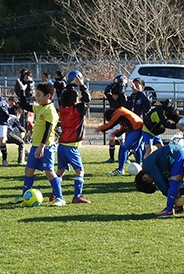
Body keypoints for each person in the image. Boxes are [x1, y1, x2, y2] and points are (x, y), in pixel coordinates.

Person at [11, 82, 66, 206]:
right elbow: (24, 105)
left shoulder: (50, 110)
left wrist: (41, 146)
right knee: (29, 170)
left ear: (48, 96)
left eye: (39, 95)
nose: (37, 97)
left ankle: (60, 197)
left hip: (46, 147)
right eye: (36, 94)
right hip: (36, 146)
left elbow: (48, 130)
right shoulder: (40, 107)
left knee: (49, 172)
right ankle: (24, 195)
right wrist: (23, 91)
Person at [56, 72, 91, 203]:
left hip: (62, 145)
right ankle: (77, 197)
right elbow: (87, 99)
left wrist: (71, 85)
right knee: (80, 172)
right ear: (74, 100)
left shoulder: (62, 108)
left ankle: (55, 193)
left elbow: (67, 94)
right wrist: (82, 86)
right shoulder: (77, 110)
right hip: (71, 147)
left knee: (60, 171)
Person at [97, 105, 144, 175]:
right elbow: (124, 127)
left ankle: (120, 169)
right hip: (140, 126)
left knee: (124, 147)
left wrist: (100, 128)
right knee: (138, 148)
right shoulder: (122, 112)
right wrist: (115, 134)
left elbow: (110, 124)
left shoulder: (118, 113)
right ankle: (139, 167)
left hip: (136, 129)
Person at [103, 75, 128, 163]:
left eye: (115, 95)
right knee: (111, 139)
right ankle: (111, 158)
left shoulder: (122, 100)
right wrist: (112, 84)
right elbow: (106, 92)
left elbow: (121, 92)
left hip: (121, 122)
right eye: (113, 95)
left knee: (122, 140)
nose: (113, 96)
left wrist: (122, 84)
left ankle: (124, 158)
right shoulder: (112, 101)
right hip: (112, 121)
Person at [14, 69, 35, 140]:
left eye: (27, 77)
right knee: (23, 119)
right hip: (24, 101)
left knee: (29, 120)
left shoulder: (30, 83)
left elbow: (30, 89)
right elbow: (18, 90)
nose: (26, 78)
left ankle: (29, 136)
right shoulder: (22, 82)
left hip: (29, 103)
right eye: (25, 76)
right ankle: (24, 134)